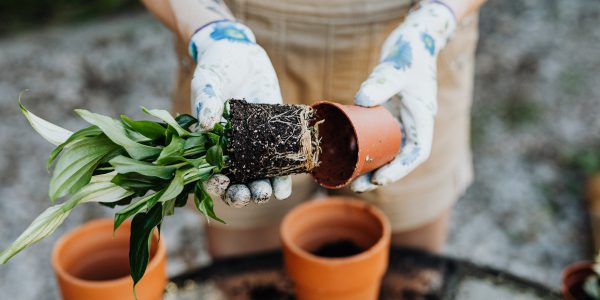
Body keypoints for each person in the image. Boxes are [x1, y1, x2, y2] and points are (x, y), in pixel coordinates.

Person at [142, 0, 487, 258]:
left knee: (408, 274)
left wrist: (435, 20)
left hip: (405, 46)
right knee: (250, 276)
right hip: (242, 45)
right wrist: (208, 29)